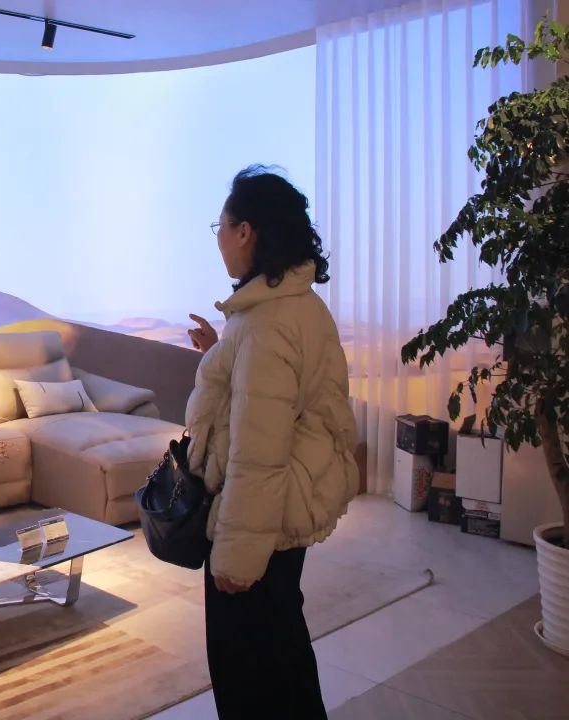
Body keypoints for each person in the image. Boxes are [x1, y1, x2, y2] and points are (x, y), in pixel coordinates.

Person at [185, 166, 360, 719]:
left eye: (220, 225)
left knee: (250, 675)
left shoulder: (264, 324)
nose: (218, 238)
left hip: (260, 522)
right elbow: (275, 398)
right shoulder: (295, 305)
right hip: (283, 514)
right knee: (284, 653)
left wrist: (236, 558)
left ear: (246, 232)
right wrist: (220, 353)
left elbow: (258, 453)